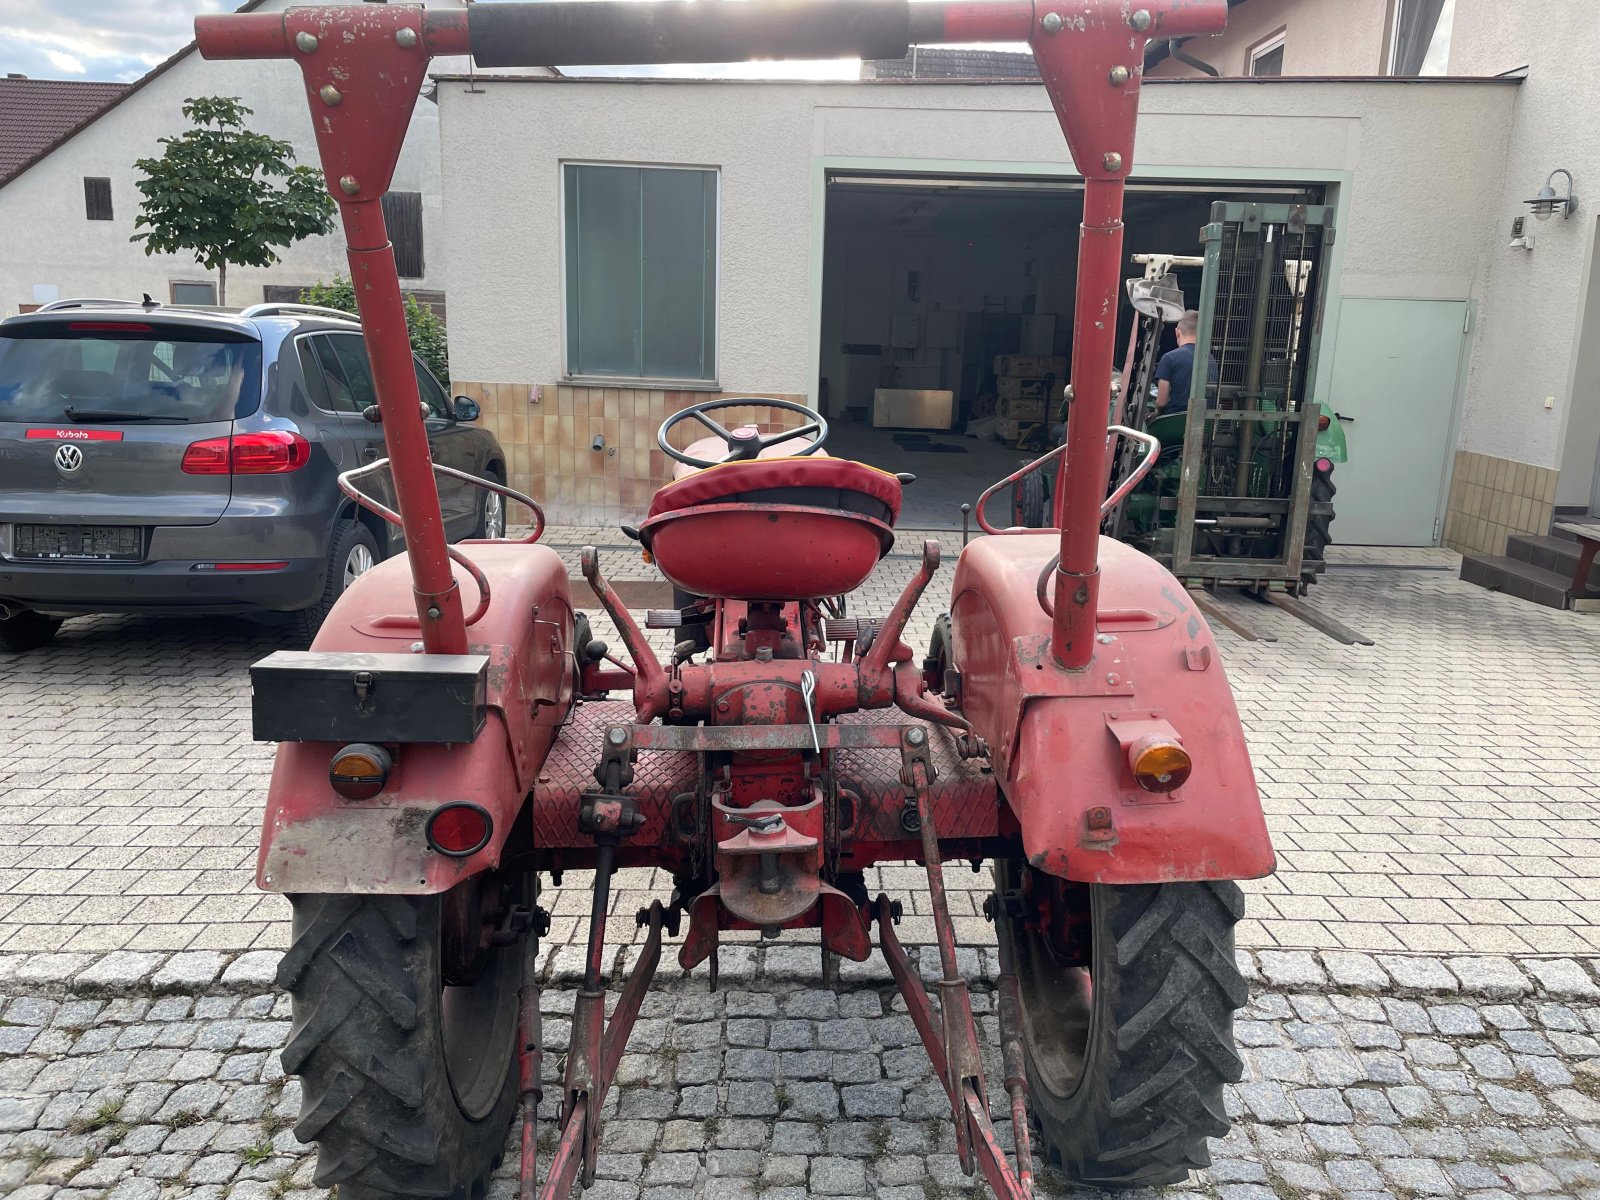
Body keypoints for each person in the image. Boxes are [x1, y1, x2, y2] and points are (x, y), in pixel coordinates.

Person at [1153, 310, 1217, 417]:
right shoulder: (1211, 359)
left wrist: (1156, 413)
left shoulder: (1169, 358)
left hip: (1174, 420)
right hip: (1204, 419)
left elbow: (1161, 402)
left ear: (1177, 332)